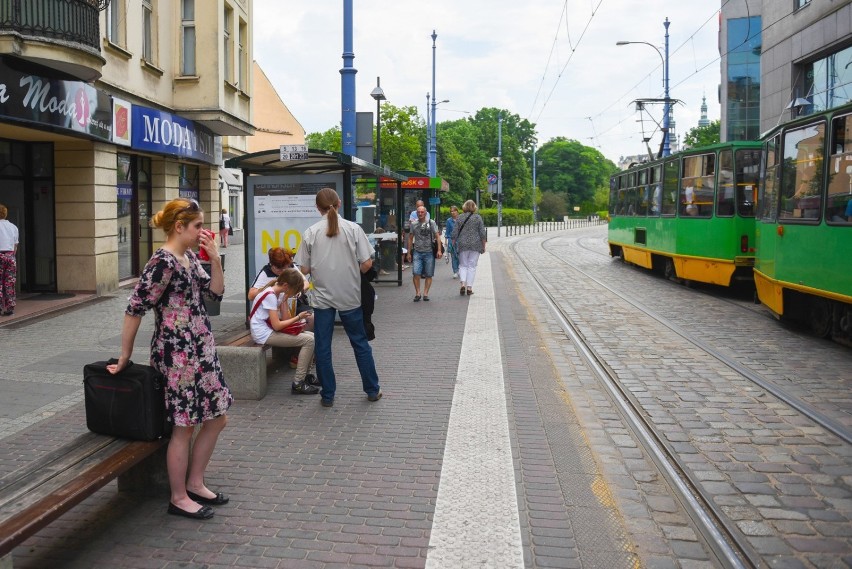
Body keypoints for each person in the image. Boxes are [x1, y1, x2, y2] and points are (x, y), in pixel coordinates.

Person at [107, 198, 231, 521]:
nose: (203, 231)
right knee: (184, 427)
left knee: (217, 418)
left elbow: (215, 294)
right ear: (180, 227)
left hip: (201, 349)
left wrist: (215, 260)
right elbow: (135, 308)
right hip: (177, 355)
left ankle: (195, 482)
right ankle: (178, 497)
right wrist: (125, 355)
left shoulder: (189, 257)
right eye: (198, 226)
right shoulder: (162, 262)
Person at [295, 188, 382, 408]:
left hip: (322, 298)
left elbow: (303, 267)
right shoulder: (353, 229)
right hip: (350, 296)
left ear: (317, 208)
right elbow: (367, 263)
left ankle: (328, 395)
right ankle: (372, 390)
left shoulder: (310, 232)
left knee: (323, 347)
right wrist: (351, 274)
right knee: (360, 343)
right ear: (340, 203)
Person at [249, 269, 320, 394]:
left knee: (312, 336)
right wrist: (299, 317)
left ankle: (306, 377)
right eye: (295, 291)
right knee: (309, 340)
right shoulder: (270, 295)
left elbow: (286, 319)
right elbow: (277, 326)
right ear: (286, 286)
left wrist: (285, 300)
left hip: (267, 330)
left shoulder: (278, 293)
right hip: (263, 334)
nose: (295, 294)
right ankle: (298, 382)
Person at [406, 206, 442, 301]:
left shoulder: (431, 223)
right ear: (416, 213)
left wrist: (439, 250)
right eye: (419, 212)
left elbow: (437, 236)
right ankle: (418, 293)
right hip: (417, 251)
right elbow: (410, 238)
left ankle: (425, 293)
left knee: (429, 274)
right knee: (416, 273)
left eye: (422, 212)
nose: (420, 214)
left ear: (425, 213)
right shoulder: (414, 224)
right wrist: (408, 252)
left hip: (429, 252)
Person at [451, 200, 487, 296]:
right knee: (472, 266)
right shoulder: (478, 218)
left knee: (463, 265)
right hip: (475, 245)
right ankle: (469, 288)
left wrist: (452, 244)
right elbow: (482, 233)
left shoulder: (460, 217)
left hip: (462, 244)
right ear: (474, 207)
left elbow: (454, 233)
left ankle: (463, 283)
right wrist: (483, 246)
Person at [0, 203, 19, 316]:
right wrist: (11, 257)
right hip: (10, 256)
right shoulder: (13, 227)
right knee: (9, 282)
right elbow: (15, 245)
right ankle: (10, 307)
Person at [444, 205, 460, 278]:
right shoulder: (449, 220)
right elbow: (447, 232)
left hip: (460, 240)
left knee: (460, 256)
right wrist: (446, 242)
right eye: (451, 211)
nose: (453, 212)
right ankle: (455, 271)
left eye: (454, 211)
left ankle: (460, 269)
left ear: (457, 211)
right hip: (452, 240)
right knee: (453, 256)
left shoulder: (461, 219)